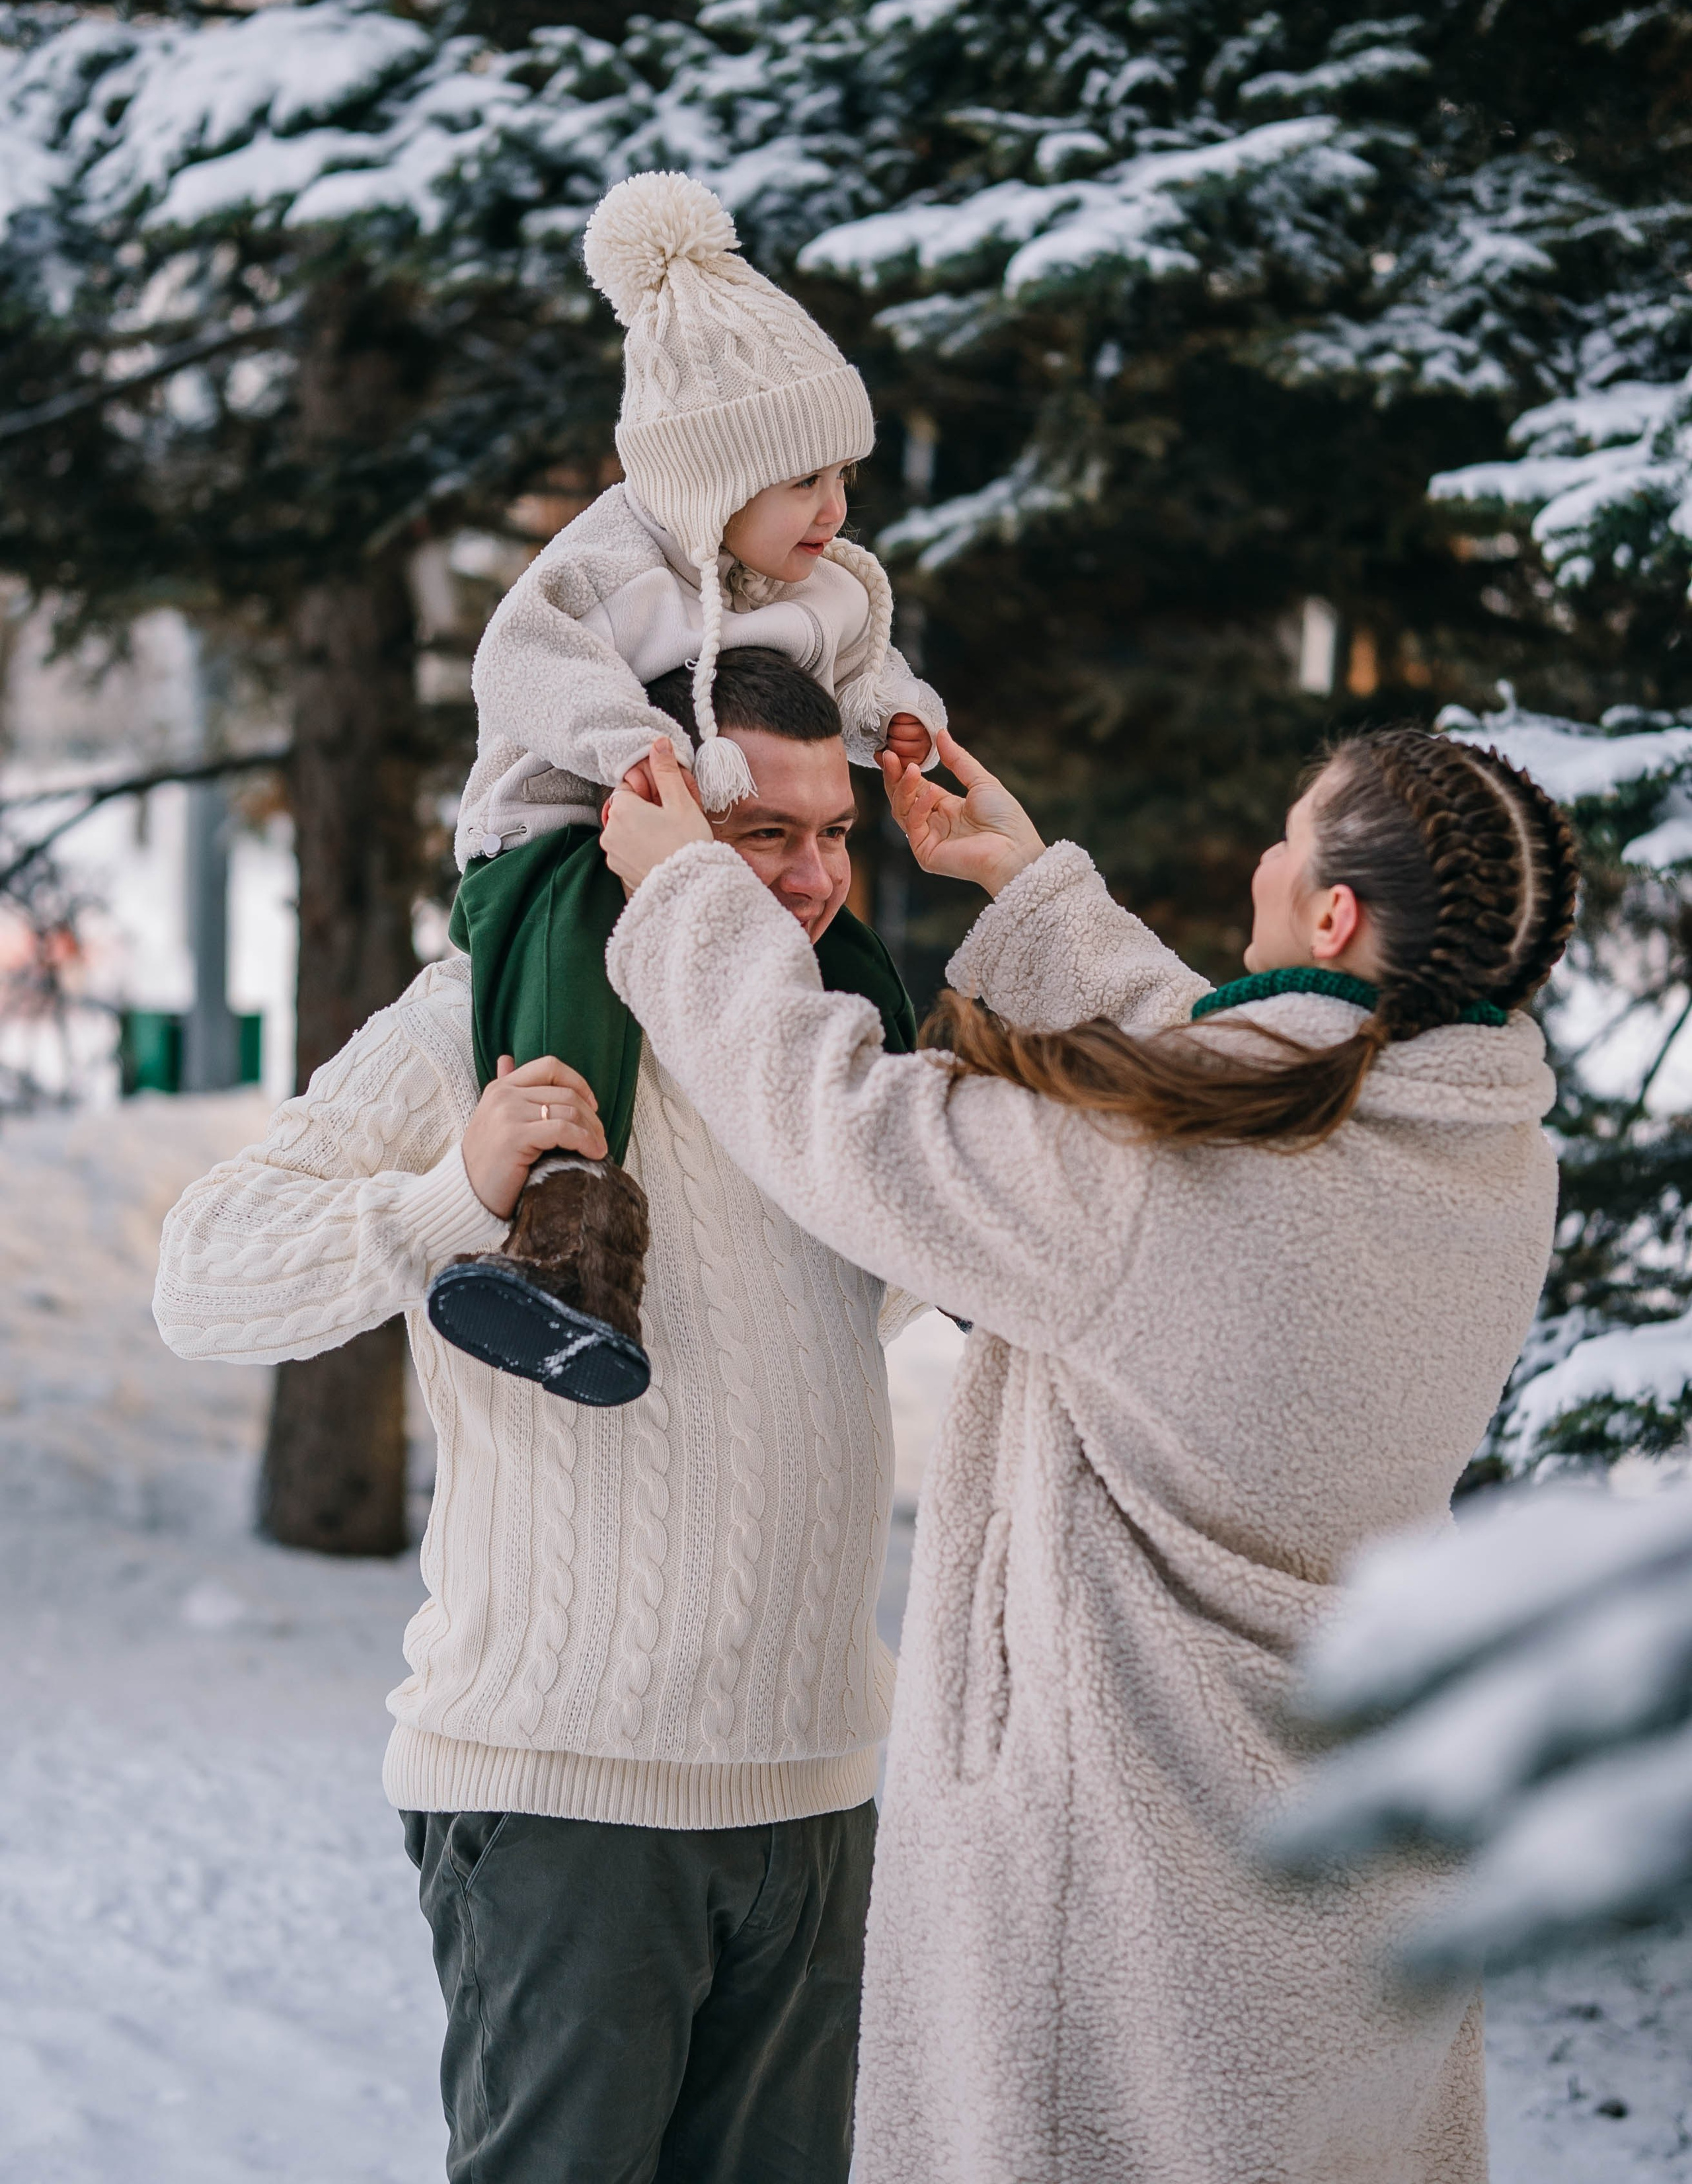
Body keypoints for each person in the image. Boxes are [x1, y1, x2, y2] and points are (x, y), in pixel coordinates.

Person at [597, 721, 1581, 2184]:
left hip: (1135, 1887)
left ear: (1328, 917)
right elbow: (1257, 1092)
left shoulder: (1151, 1189)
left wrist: (686, 897)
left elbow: (844, 1117)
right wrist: (1037, 900)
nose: (1257, 852)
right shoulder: (1488, 1153)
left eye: (1285, 834)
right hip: (1360, 1884)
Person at [153, 650, 928, 2184]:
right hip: (572, 1797)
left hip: (817, 1789)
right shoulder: (483, 1016)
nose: (815, 877)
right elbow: (204, 1279)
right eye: (763, 834)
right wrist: (456, 1195)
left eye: (834, 834)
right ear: (637, 807)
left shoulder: (827, 1052)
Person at [438, 169, 944, 1399]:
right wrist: (632, 751)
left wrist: (907, 727)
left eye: (844, 479)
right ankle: (566, 1241)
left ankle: (941, 1205)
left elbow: (870, 665)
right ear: (713, 483)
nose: (834, 510)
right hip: (559, 835)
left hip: (699, 856)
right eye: (802, 484)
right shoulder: (615, 566)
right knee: (582, 953)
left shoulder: (828, 580)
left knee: (858, 964)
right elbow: (523, 659)